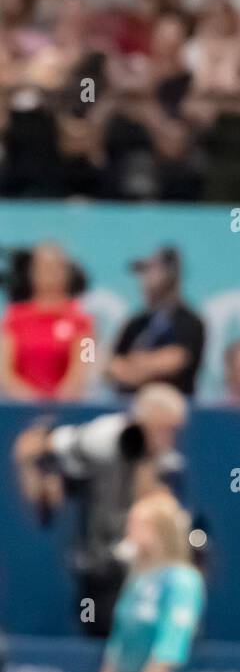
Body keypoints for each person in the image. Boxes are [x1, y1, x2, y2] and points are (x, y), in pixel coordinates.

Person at [13, 383, 188, 638]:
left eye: (174, 431)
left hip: (147, 578)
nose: (169, 439)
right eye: (164, 430)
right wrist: (34, 459)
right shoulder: (105, 439)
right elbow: (49, 472)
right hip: (101, 574)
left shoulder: (170, 465)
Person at [91, 491, 204, 672]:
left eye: (135, 525)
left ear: (157, 531)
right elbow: (116, 647)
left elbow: (169, 652)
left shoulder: (183, 581)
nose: (128, 532)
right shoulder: (137, 577)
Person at [107, 246, 205, 397]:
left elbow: (173, 361)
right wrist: (139, 367)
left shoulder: (189, 321)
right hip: (128, 404)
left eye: (150, 271)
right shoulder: (136, 322)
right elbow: (111, 364)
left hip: (170, 409)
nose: (143, 279)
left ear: (170, 275)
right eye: (142, 272)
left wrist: (136, 364)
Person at [0, 242, 93, 400]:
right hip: (20, 406)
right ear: (32, 272)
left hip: (67, 407)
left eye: (56, 267)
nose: (49, 273)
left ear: (67, 272)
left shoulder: (84, 321)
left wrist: (58, 401)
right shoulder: (13, 318)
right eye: (43, 267)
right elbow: (4, 371)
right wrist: (31, 400)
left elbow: (85, 365)